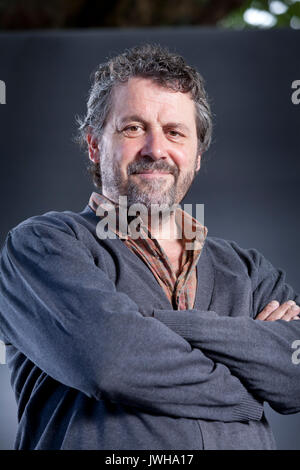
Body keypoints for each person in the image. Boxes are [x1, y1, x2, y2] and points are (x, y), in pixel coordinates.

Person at [0, 43, 300, 451]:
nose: (155, 149)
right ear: (94, 145)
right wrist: (250, 383)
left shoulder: (249, 270)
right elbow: (111, 361)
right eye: (132, 128)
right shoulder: (42, 246)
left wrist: (150, 324)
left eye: (175, 132)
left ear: (196, 156)